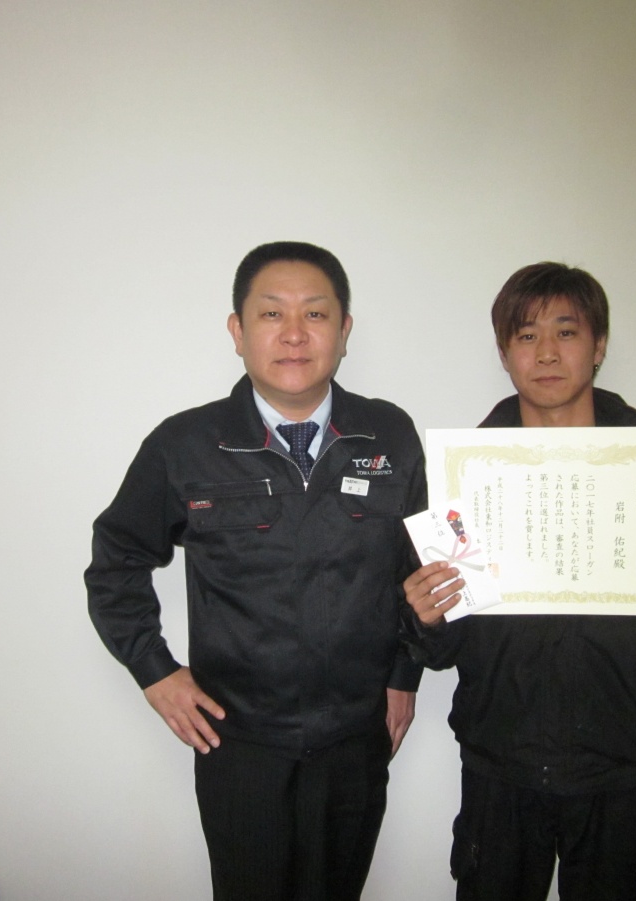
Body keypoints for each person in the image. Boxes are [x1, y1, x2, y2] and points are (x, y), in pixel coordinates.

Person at [85, 241, 426, 901]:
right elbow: (116, 562)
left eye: (316, 314)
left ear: (344, 331)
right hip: (239, 744)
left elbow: (420, 569)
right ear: (238, 332)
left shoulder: (389, 435)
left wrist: (404, 673)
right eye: (272, 314)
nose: (295, 334)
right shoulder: (186, 445)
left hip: (357, 738)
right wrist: (155, 672)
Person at [403, 262, 636, 901]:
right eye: (526, 335)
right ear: (504, 353)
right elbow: (439, 649)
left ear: (599, 346)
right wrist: (425, 616)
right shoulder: (462, 478)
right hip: (499, 759)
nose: (547, 353)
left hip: (617, 764)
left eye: (566, 332)